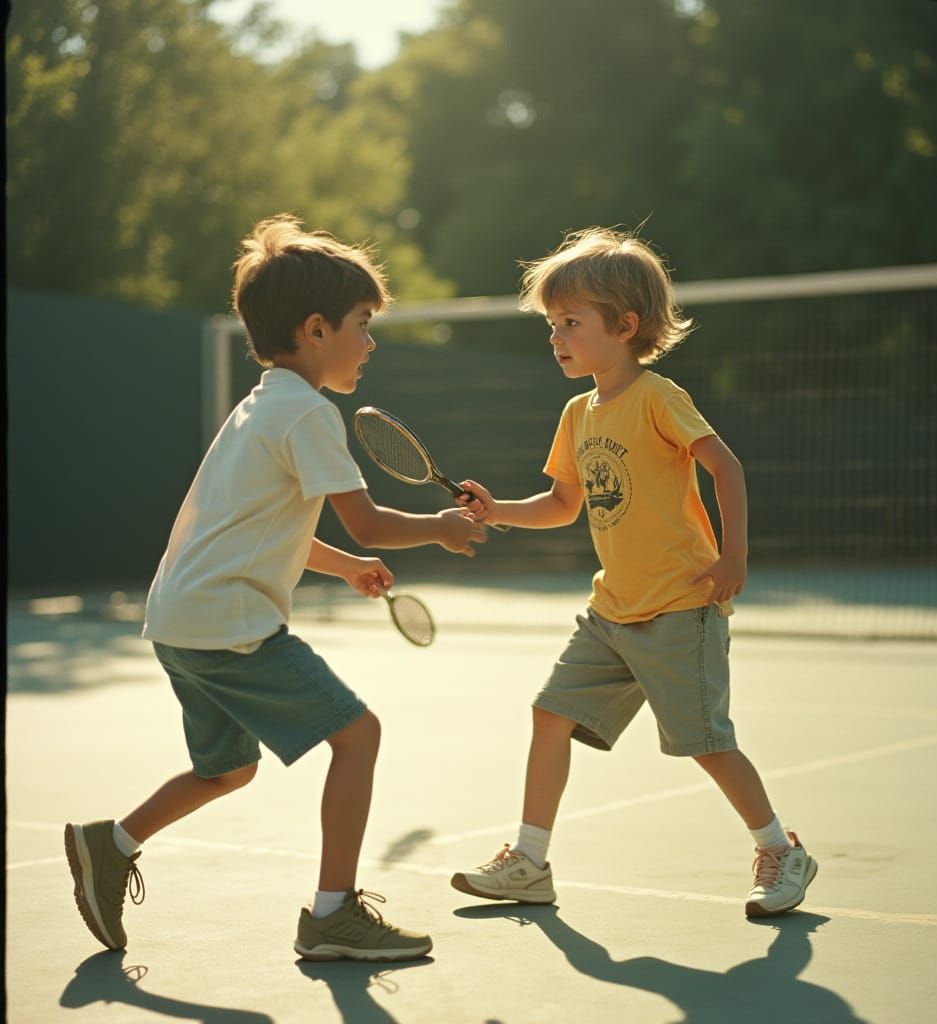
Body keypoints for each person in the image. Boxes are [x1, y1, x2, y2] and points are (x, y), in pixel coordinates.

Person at [64, 214, 486, 962]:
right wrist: (441, 527)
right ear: (316, 329)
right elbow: (371, 523)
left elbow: (265, 531)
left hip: (179, 621)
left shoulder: (259, 407)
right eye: (363, 324)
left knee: (225, 768)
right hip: (230, 625)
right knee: (359, 738)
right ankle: (333, 917)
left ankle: (111, 843)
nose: (372, 340)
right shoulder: (310, 414)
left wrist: (344, 568)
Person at [451, 226, 816, 917]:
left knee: (706, 745)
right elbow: (562, 505)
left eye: (571, 323)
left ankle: (780, 848)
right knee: (549, 714)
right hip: (612, 613)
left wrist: (733, 554)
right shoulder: (576, 412)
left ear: (624, 326)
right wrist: (497, 510)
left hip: (681, 605)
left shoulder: (658, 397)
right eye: (552, 324)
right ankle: (528, 862)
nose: (556, 336)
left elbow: (725, 467)